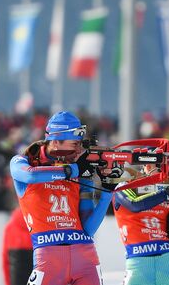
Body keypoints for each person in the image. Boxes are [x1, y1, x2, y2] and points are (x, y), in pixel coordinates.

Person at [9, 111, 112, 285]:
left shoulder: (78, 170)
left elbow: (88, 230)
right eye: (75, 144)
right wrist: (73, 170)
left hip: (85, 257)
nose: (79, 150)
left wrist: (108, 191)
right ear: (56, 142)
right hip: (48, 258)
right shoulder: (23, 161)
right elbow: (31, 176)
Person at [2, 207, 33, 285]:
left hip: (16, 278)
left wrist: (7, 283)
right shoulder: (40, 227)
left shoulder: (10, 228)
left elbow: (5, 259)